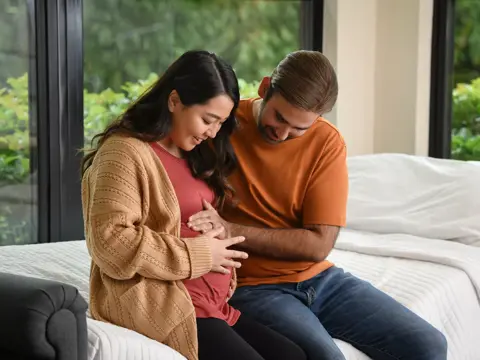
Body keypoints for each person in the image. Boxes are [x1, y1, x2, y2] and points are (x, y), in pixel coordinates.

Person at [187, 50, 449, 360]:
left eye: (299, 128)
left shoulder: (327, 142)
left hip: (322, 279)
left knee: (429, 344)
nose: (282, 133)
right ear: (265, 88)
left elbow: (318, 244)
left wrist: (232, 229)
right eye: (279, 117)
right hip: (253, 287)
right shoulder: (221, 127)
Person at [80, 50, 306, 360]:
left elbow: (186, 222)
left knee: (294, 356)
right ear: (174, 101)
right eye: (208, 120)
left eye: (220, 123)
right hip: (168, 304)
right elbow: (111, 241)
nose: (213, 132)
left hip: (212, 304)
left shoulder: (196, 155)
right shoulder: (124, 152)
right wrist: (201, 254)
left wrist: (220, 236)